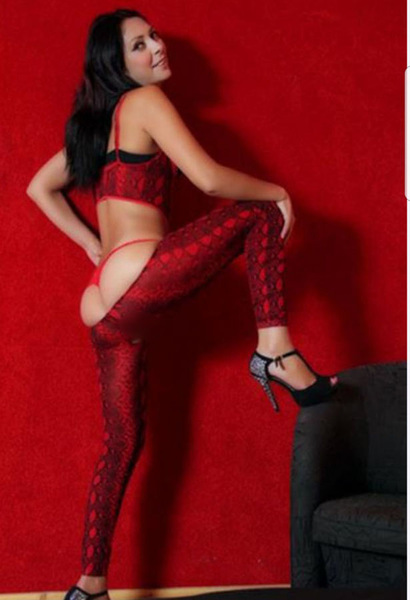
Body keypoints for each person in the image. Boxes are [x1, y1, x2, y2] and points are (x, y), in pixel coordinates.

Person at [26, 9, 339, 600]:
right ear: (117, 65)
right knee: (257, 213)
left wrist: (93, 246)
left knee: (122, 443)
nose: (155, 47)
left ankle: (90, 585)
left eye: (153, 36)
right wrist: (278, 192)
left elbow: (38, 187)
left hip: (101, 304)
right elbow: (210, 178)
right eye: (138, 45)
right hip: (138, 274)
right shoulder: (143, 101)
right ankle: (275, 351)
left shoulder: (94, 128)